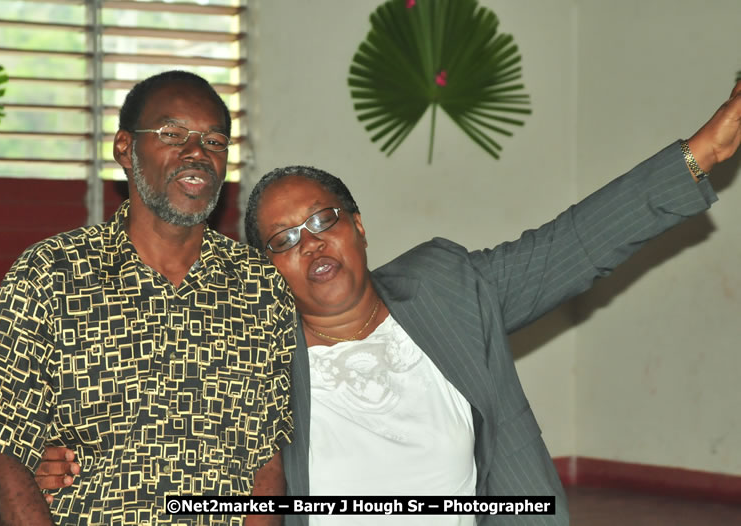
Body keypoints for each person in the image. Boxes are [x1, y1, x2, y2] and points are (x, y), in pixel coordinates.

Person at [36, 80, 741, 526]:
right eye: (284, 240)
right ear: (269, 269)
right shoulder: (250, 351)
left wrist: (706, 148)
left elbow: (577, 243)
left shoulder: (448, 289)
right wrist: (70, 459)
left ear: (358, 226)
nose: (312, 246)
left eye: (324, 221)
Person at [0, 70, 295, 526]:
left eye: (214, 141)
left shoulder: (261, 287)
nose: (197, 152)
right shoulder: (53, 273)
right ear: (125, 149)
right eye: (172, 134)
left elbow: (268, 461)